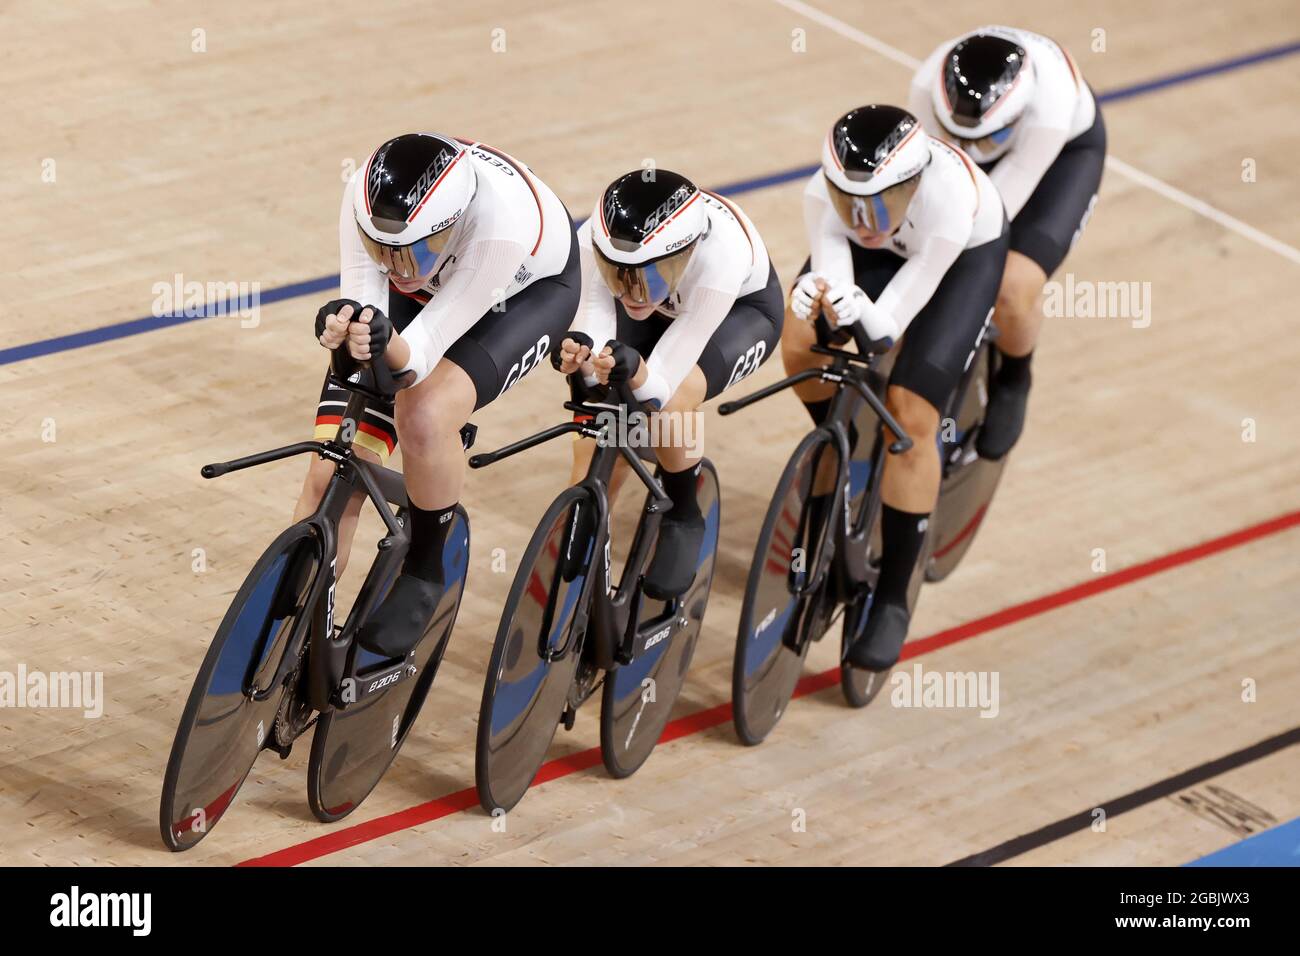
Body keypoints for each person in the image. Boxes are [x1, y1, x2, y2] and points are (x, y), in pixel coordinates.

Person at [301, 132, 580, 657]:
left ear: (449, 226)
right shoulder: (363, 200)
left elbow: (420, 356)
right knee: (327, 473)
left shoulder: (501, 230)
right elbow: (370, 302)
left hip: (520, 294)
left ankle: (426, 570)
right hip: (441, 279)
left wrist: (386, 346)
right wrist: (346, 329)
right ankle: (290, 628)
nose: (397, 267)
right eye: (382, 249)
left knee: (425, 414)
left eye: (413, 250)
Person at [783, 104, 1009, 670]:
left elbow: (886, 329)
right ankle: (849, 440)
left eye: (881, 203)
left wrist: (859, 310)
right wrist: (819, 295)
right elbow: (835, 274)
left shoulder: (949, 202)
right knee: (796, 340)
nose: (863, 218)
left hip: (958, 261)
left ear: (913, 183)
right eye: (849, 203)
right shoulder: (825, 195)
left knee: (911, 417)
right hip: (882, 258)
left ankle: (892, 599)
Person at [554, 170, 783, 598]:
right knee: (601, 432)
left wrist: (634, 373)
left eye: (649, 275)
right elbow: (596, 318)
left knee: (672, 401)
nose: (632, 291)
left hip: (737, 314)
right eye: (618, 274)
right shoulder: (593, 241)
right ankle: (587, 528)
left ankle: (683, 512)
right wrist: (588, 359)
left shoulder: (721, 261)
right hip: (665, 310)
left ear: (686, 254)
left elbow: (657, 386)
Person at [910, 26, 1106, 459]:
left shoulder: (1049, 111)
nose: (972, 148)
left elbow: (992, 214)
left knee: (1012, 285)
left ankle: (1016, 377)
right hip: (979, 142)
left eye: (983, 140)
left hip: (1058, 157)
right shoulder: (925, 86)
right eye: (959, 132)